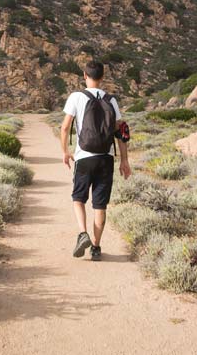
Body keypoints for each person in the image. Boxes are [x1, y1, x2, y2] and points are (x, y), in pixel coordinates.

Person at [60, 60, 131, 261]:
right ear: (102, 77)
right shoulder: (111, 100)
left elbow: (65, 127)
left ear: (85, 75)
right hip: (106, 159)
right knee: (100, 206)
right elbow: (121, 132)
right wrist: (124, 161)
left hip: (84, 156)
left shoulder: (76, 97)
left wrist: (65, 151)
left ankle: (83, 233)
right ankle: (97, 248)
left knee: (78, 199)